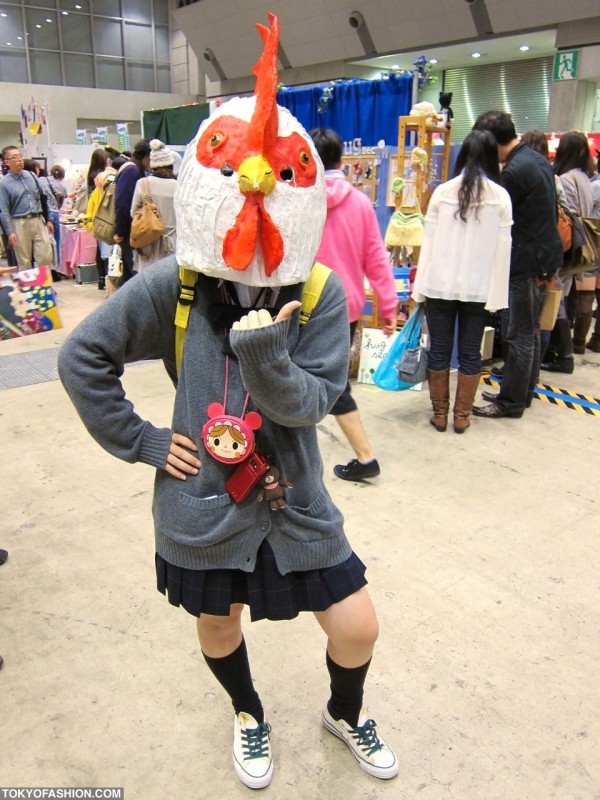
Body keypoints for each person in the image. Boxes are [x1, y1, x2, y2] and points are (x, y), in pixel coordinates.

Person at [58, 13, 398, 792]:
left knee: (356, 623)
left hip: (295, 496)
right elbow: (83, 356)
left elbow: (309, 406)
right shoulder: (173, 284)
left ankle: (345, 711)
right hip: (203, 498)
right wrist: (142, 440)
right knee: (218, 623)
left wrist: (261, 349)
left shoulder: (317, 292)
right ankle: (249, 713)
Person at [309, 127, 398, 481]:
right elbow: (376, 258)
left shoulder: (299, 200)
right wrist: (388, 307)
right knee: (330, 381)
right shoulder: (361, 202)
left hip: (303, 303)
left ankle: (365, 457)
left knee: (306, 380)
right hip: (344, 305)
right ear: (341, 160)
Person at [412, 130, 512, 433]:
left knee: (440, 350)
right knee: (470, 353)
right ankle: (462, 417)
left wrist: (419, 290)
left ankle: (440, 414)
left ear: (463, 156)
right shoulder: (500, 197)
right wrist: (497, 296)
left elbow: (427, 245)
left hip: (440, 286)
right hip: (478, 289)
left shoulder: (442, 193)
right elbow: (502, 252)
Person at [471, 111, 563, 420]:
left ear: (492, 141)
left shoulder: (514, 172)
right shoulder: (534, 159)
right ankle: (523, 392)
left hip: (526, 261)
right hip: (544, 257)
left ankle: (510, 402)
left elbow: (498, 221)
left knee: (518, 334)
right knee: (531, 330)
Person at [552, 131, 597, 357]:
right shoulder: (585, 178)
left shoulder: (567, 178)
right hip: (579, 244)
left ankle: (564, 352)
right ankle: (568, 349)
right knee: (565, 294)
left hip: (567, 244)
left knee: (556, 296)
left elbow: (565, 215)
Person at [0, 146, 54, 271]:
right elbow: (3, 210)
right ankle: (27, 289)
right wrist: (9, 232)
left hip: (38, 219)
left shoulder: (31, 176)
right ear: (7, 162)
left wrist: (49, 218)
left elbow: (43, 198)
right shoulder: (4, 184)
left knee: (45, 256)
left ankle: (43, 288)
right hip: (19, 223)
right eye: (15, 157)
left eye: (20, 156)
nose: (19, 159)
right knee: (24, 261)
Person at [129, 139, 177, 272]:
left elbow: (133, 212)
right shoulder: (178, 185)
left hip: (149, 242)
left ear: (153, 165)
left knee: (149, 283)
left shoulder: (143, 184)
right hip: (174, 243)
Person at [113, 139, 151, 283]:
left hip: (131, 231)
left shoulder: (133, 170)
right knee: (134, 276)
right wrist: (121, 232)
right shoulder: (132, 171)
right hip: (129, 232)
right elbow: (123, 204)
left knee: (130, 277)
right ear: (146, 157)